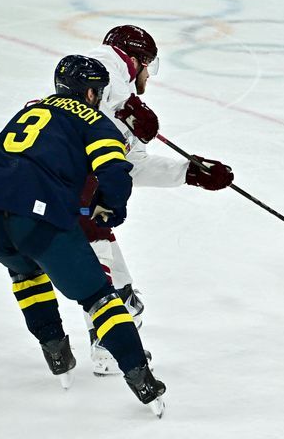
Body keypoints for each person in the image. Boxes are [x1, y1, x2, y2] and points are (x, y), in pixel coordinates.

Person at [0, 55, 166, 415]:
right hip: (34, 217)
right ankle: (142, 379)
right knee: (99, 298)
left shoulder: (29, 110)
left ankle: (56, 353)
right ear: (89, 92)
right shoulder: (93, 119)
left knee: (25, 271)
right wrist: (112, 207)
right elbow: (115, 172)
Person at [79, 25, 234, 375]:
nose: (148, 74)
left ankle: (121, 307)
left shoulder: (119, 114)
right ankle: (107, 341)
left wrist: (190, 173)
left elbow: (133, 167)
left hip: (75, 186)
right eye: (147, 65)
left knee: (104, 256)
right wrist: (127, 103)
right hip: (58, 183)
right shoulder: (107, 68)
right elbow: (101, 68)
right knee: (95, 247)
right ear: (134, 61)